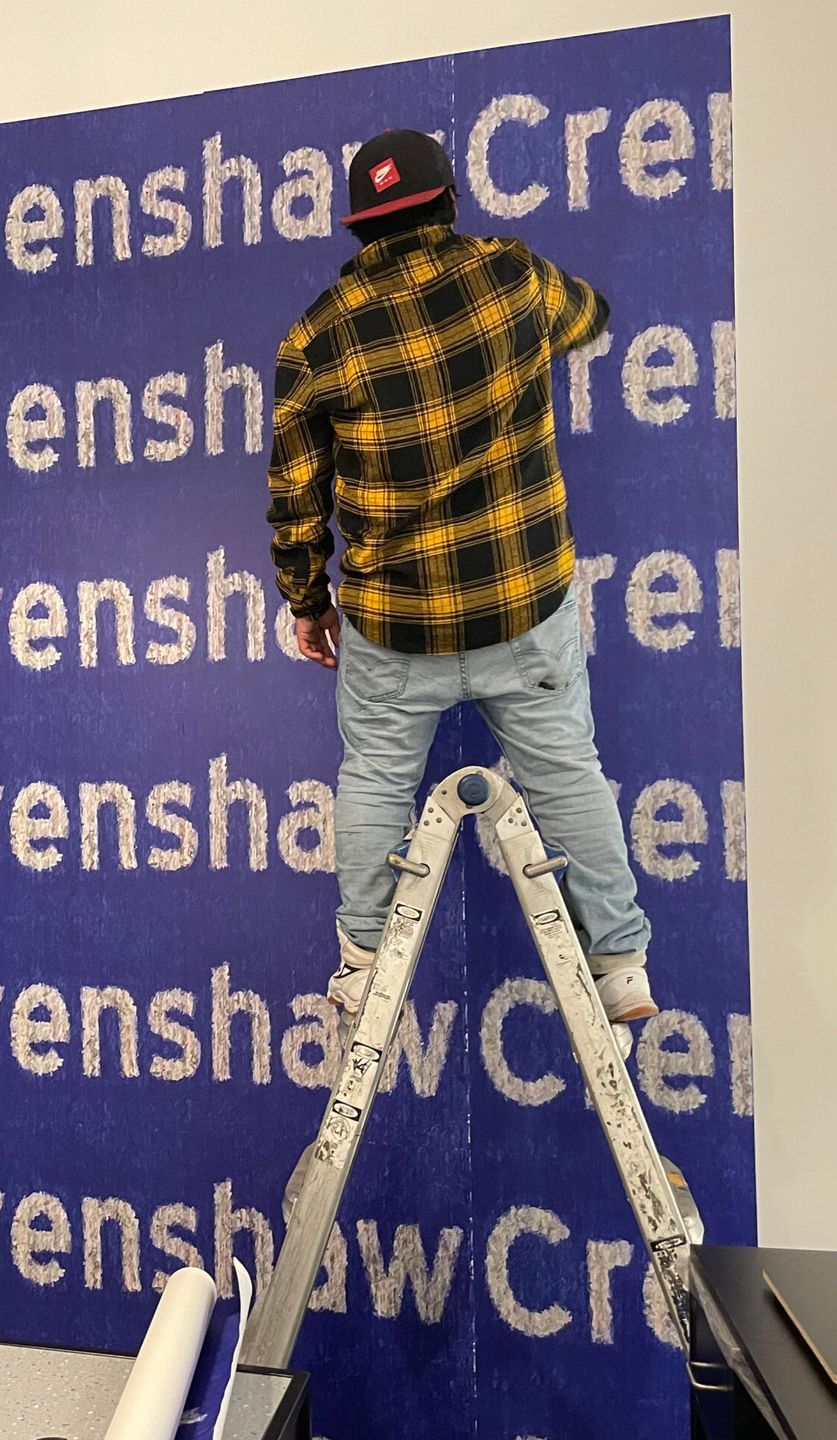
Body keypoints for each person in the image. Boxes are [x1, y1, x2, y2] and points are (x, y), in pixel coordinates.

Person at [266, 129, 657, 1031]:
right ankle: (621, 966)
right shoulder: (512, 277)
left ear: (359, 228)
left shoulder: (318, 335)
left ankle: (363, 965)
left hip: (394, 624)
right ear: (448, 203)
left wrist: (306, 601)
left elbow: (294, 493)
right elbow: (592, 315)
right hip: (524, 606)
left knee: (374, 781)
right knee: (569, 776)